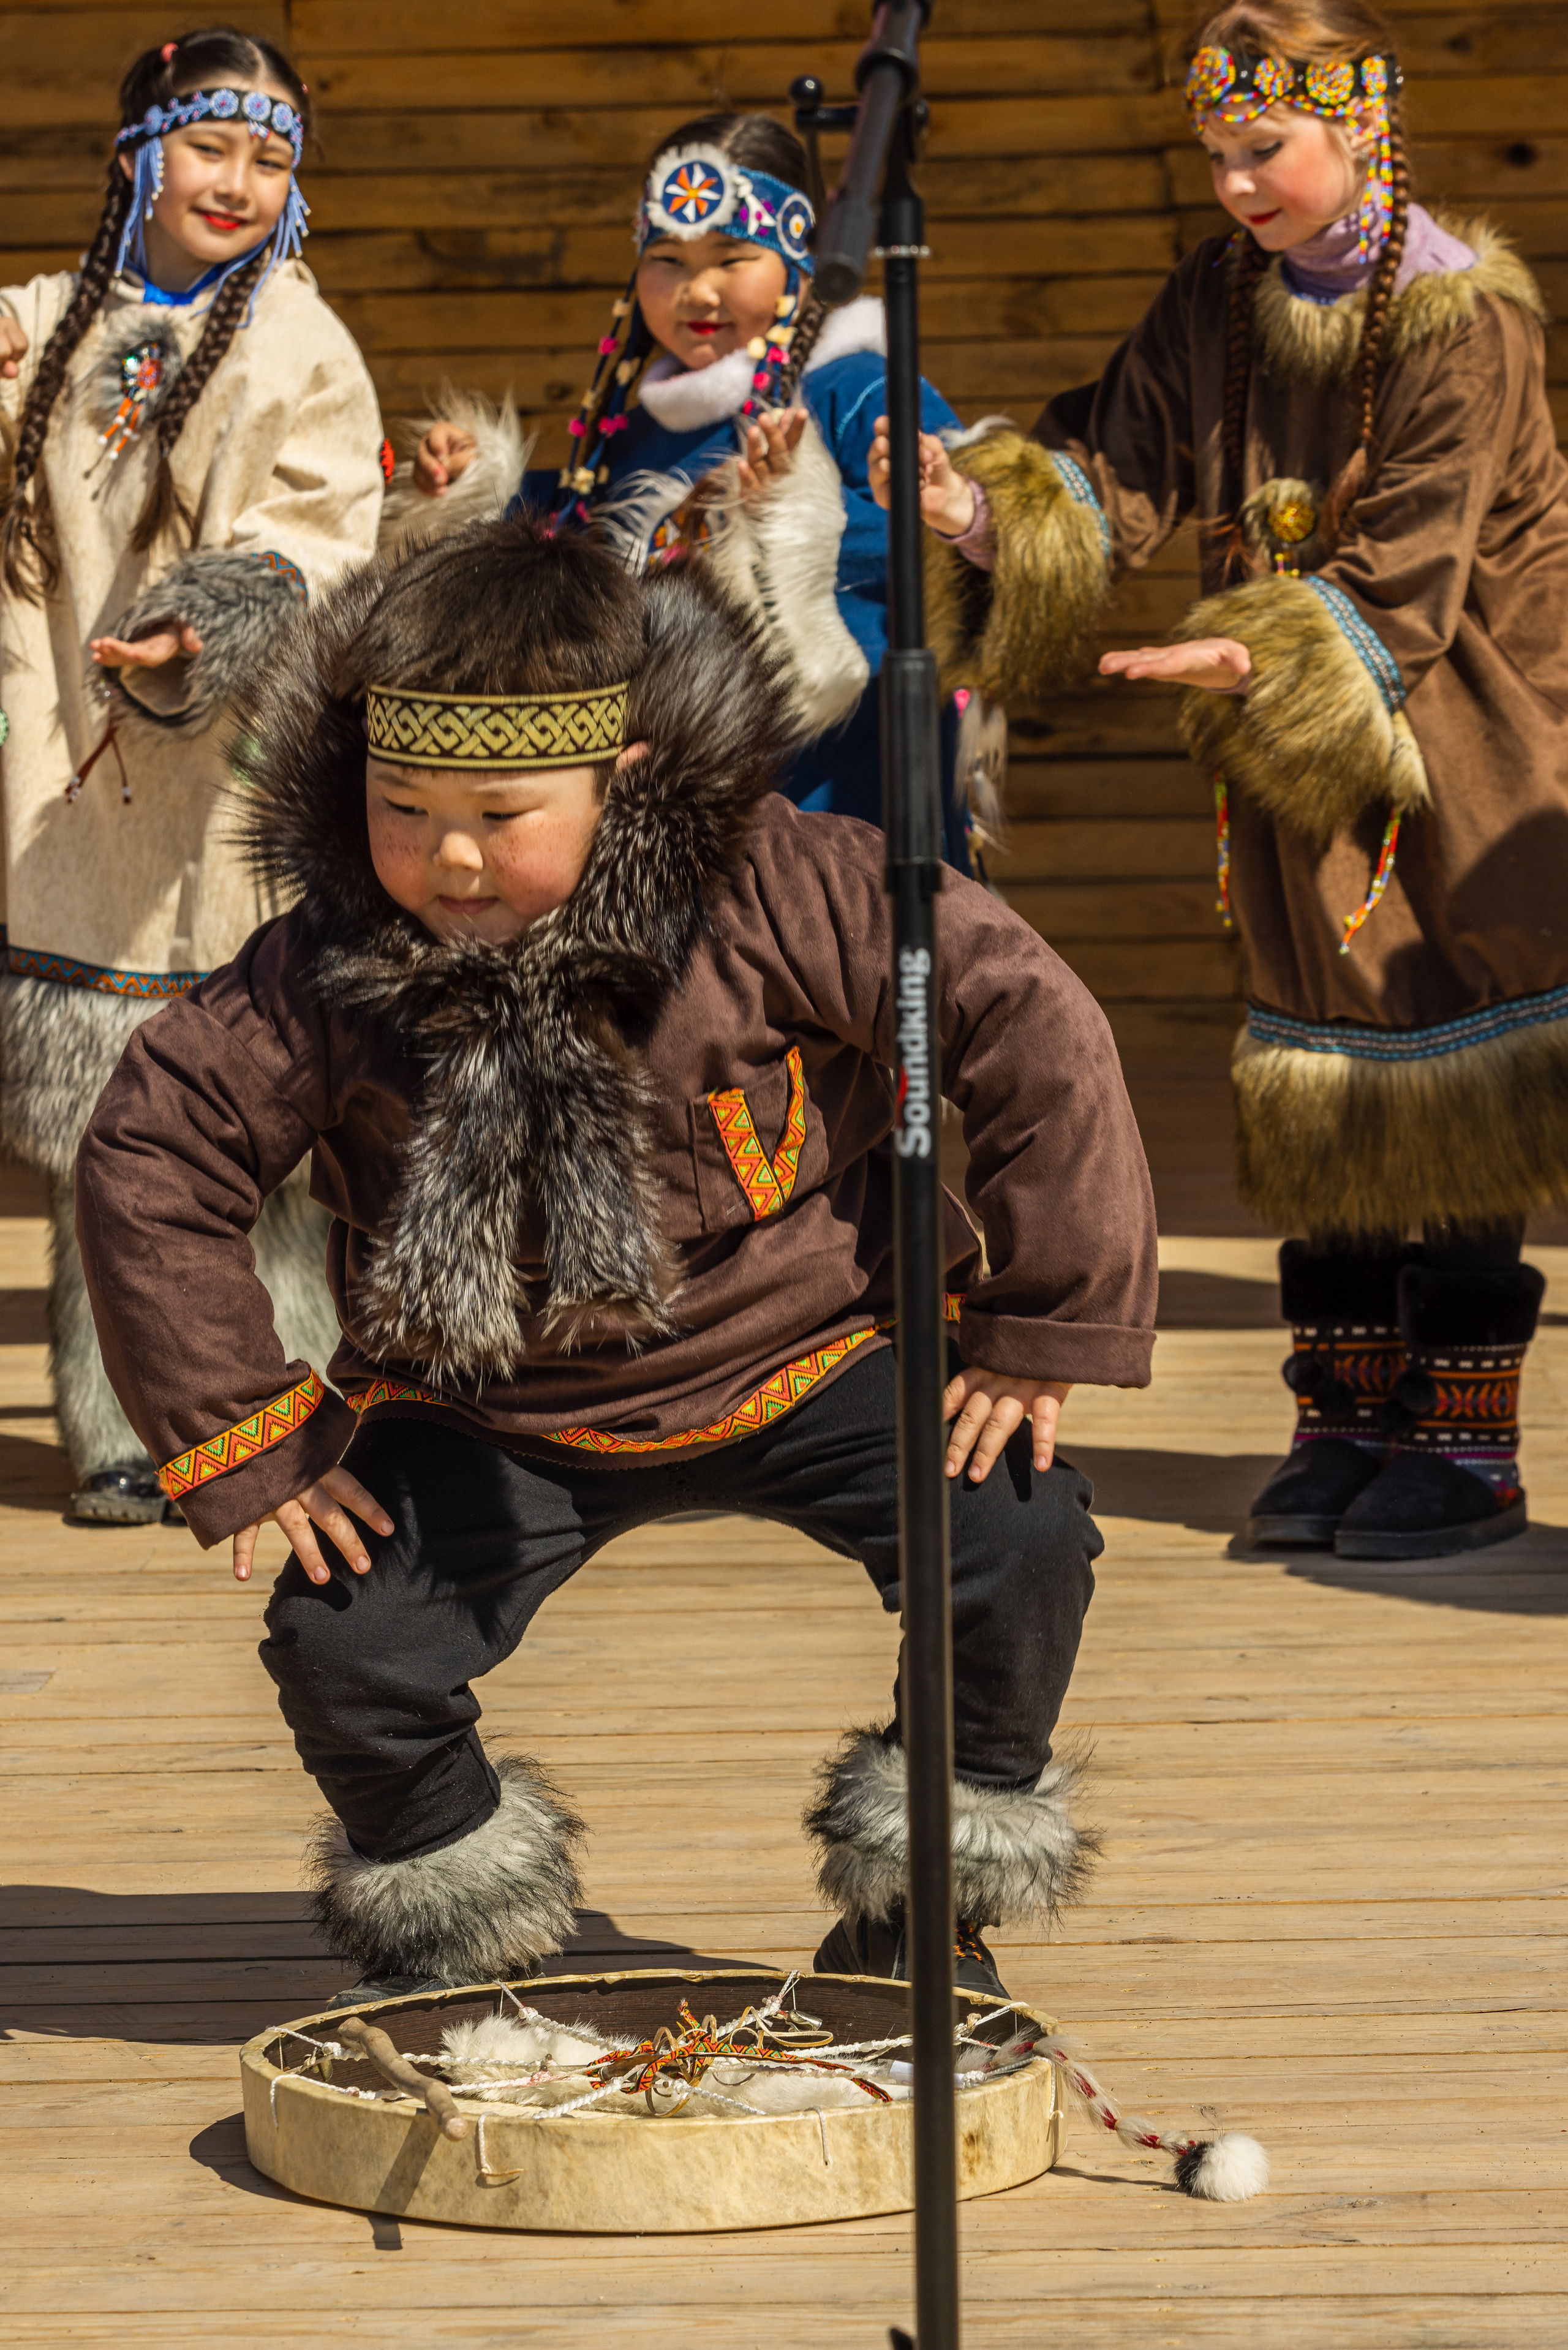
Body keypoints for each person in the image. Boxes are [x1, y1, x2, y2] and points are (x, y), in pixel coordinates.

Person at [75, 519, 1156, 2002]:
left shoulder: (786, 887)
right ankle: (458, 1942)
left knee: (1017, 1538)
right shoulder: (321, 960)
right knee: (345, 1643)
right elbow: (153, 1150)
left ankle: (919, 1914)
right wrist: (248, 1434)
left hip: (812, 1342)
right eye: (402, 809)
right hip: (480, 1400)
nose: (448, 858)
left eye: (499, 813)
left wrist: (1042, 1325)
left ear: (623, 774)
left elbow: (1027, 1021)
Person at [875, 0, 1568, 1562]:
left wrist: (1259, 650)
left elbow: (1412, 570)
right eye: (1213, 154)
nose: (1235, 184)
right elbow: (1118, 460)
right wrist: (976, 512)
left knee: (1451, 1070)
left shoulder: (1463, 324)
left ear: (1361, 125)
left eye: (1262, 147)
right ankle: (1342, 1416)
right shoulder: (1217, 295)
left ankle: (1465, 1443)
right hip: (1285, 733)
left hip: (1455, 736)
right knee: (1319, 1065)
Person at [0, 26, 385, 1523]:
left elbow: (323, 529)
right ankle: (117, 1424)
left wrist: (211, 622)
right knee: (102, 1131)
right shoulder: (43, 327)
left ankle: (275, 1404)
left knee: (262, 1126)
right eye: (209, 145)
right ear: (138, 157)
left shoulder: (299, 340)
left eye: (269, 158)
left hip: (236, 787)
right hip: (74, 782)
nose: (236, 180)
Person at [391, 111, 985, 870]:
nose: (696, 291)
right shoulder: (631, 433)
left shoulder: (857, 389)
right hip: (683, 823)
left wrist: (786, 529)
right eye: (667, 260)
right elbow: (572, 539)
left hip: (844, 803)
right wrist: (471, 485)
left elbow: (947, 548)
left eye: (731, 258)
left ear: (800, 263)